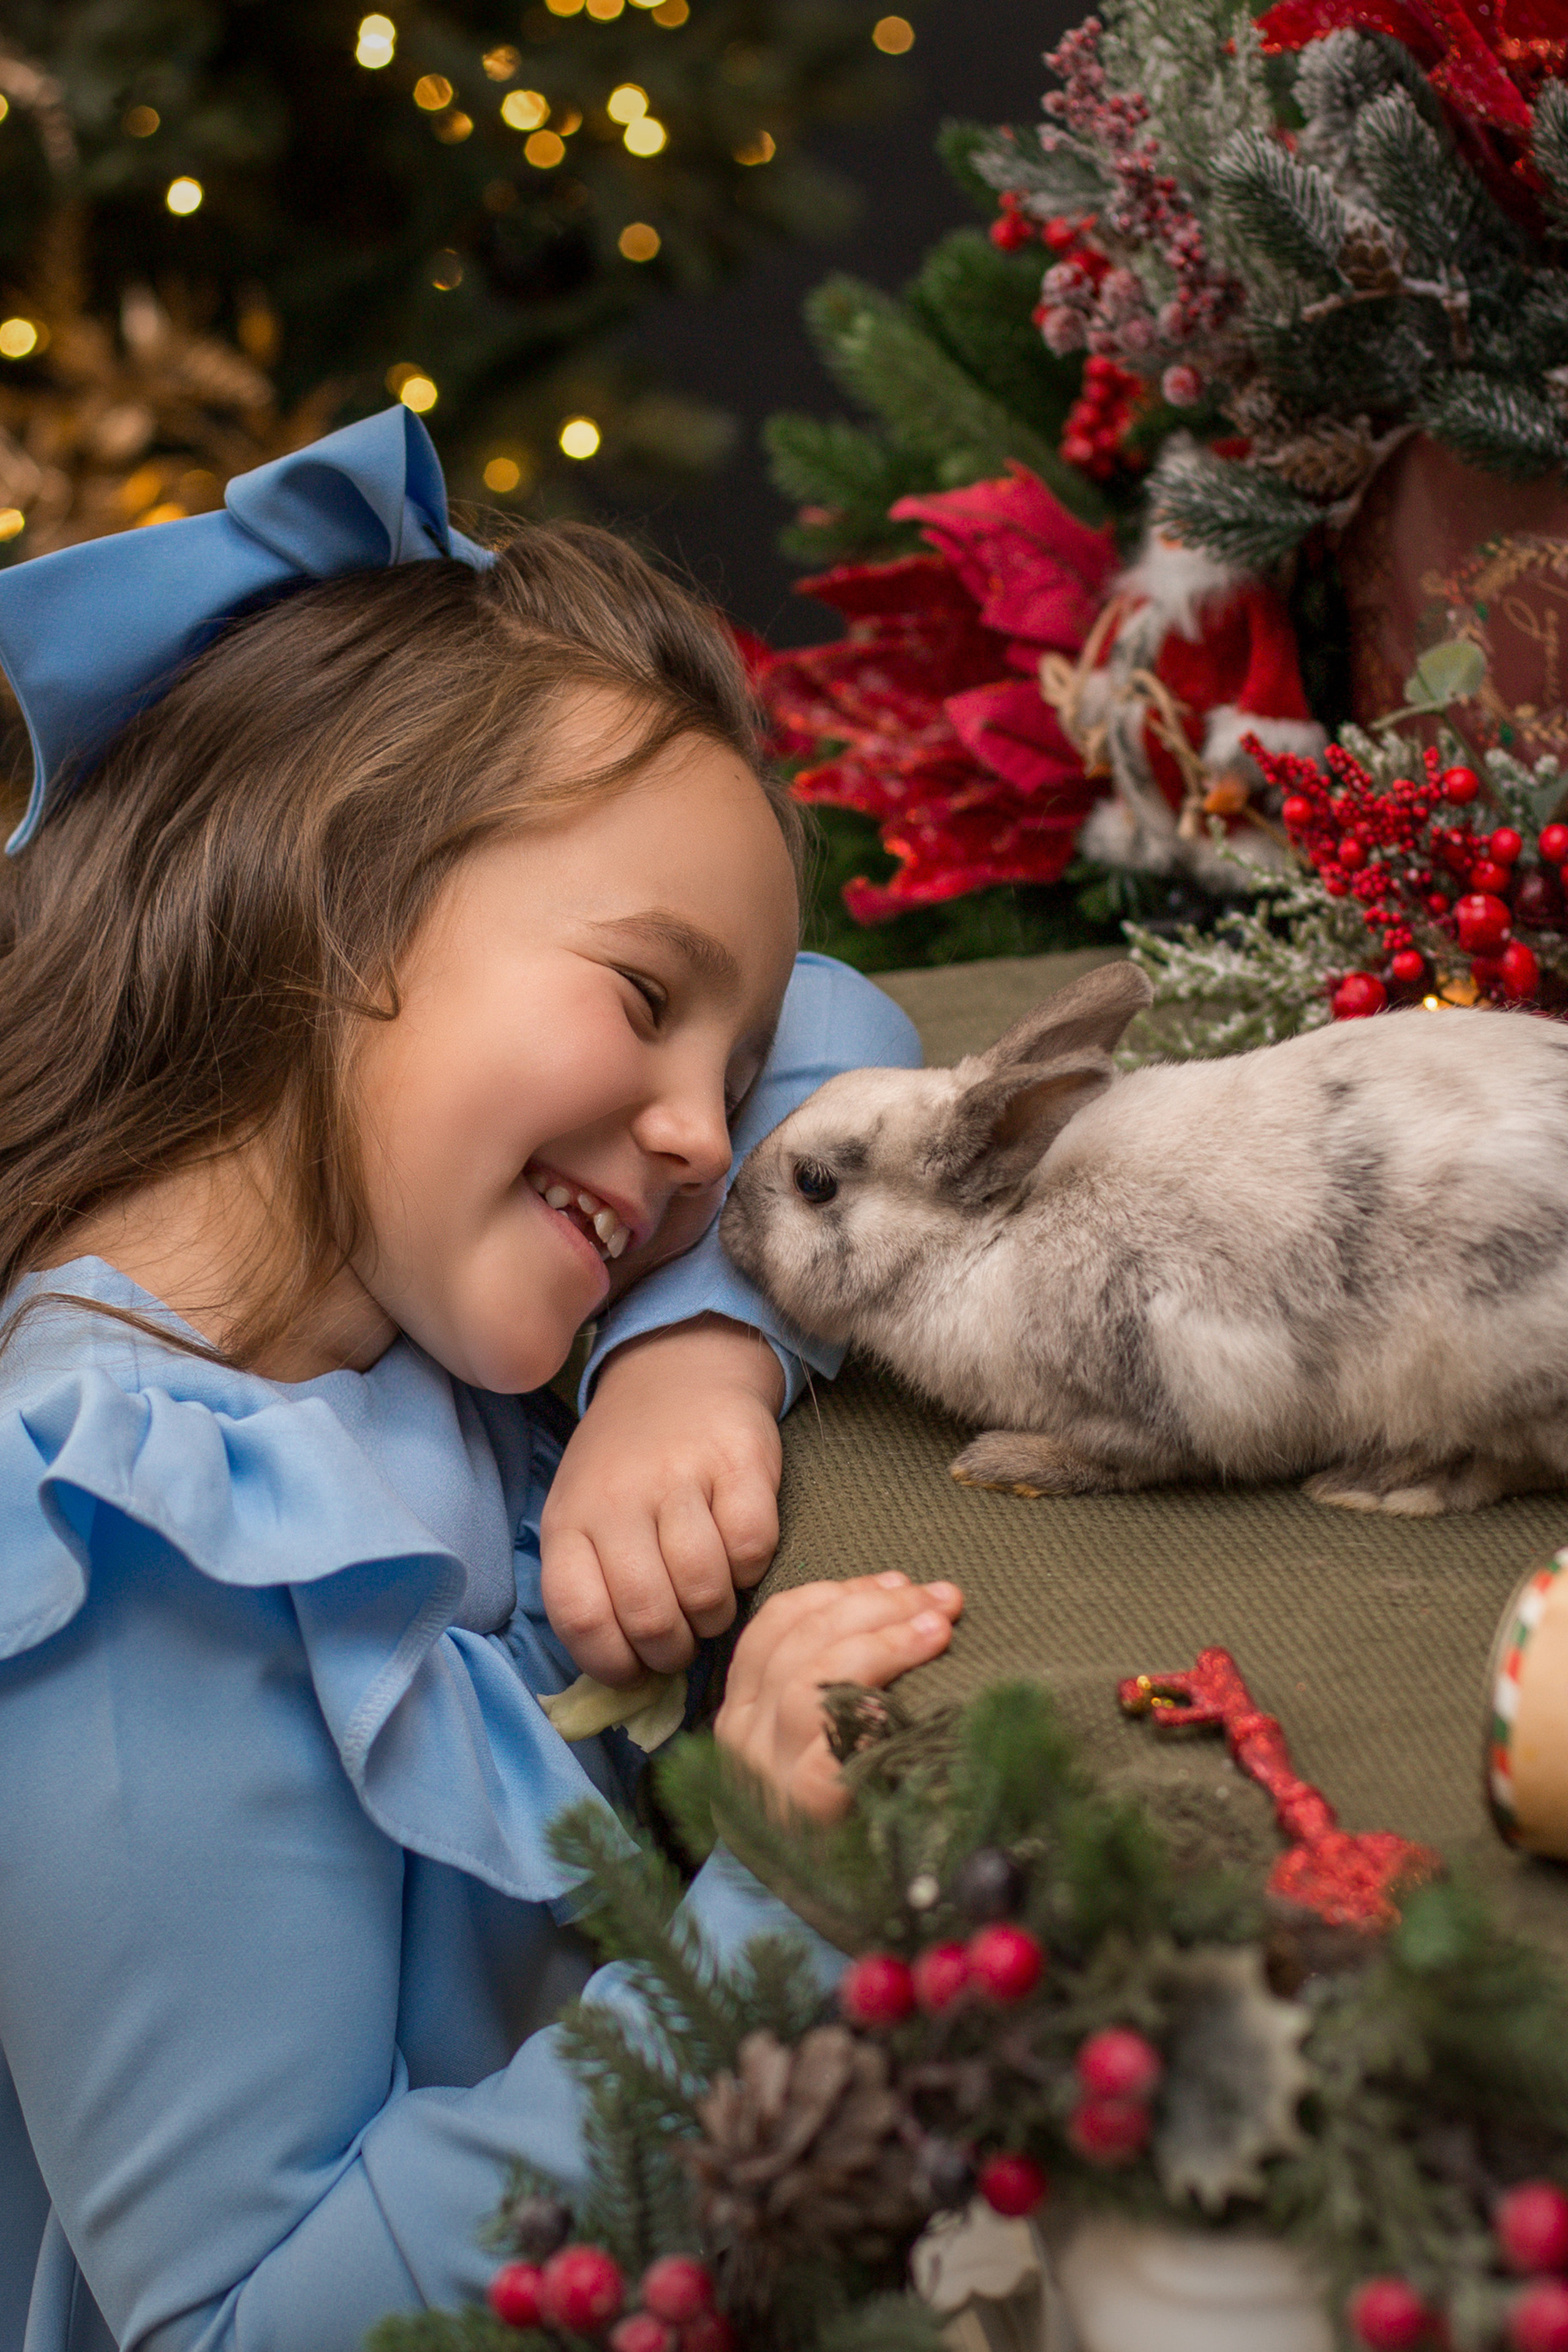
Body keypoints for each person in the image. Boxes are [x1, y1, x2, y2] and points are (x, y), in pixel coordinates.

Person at [0, 409, 963, 2352]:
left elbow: (842, 1024)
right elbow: (244, 2324)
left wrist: (688, 1362)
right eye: (644, 999)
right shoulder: (125, 1535)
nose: (705, 1135)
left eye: (726, 1057)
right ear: (345, 889)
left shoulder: (408, 1322)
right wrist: (766, 1936)